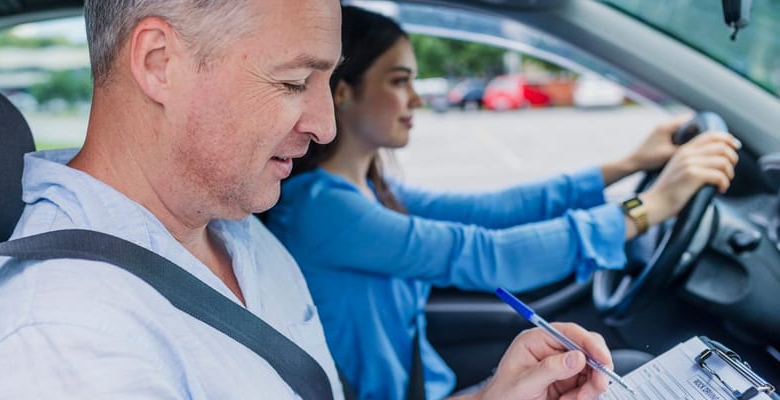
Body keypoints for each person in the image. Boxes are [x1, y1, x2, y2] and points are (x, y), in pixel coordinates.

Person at [0, 1, 616, 399]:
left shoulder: (237, 233)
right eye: (292, 81)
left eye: (327, 81)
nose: (325, 124)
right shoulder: (65, 341)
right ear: (159, 61)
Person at [264, 6, 741, 400]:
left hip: (431, 389)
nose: (417, 98)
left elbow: (495, 211)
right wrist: (649, 208)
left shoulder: (369, 192)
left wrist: (626, 165)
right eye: (398, 80)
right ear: (344, 93)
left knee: (625, 372)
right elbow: (488, 254)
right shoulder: (321, 210)